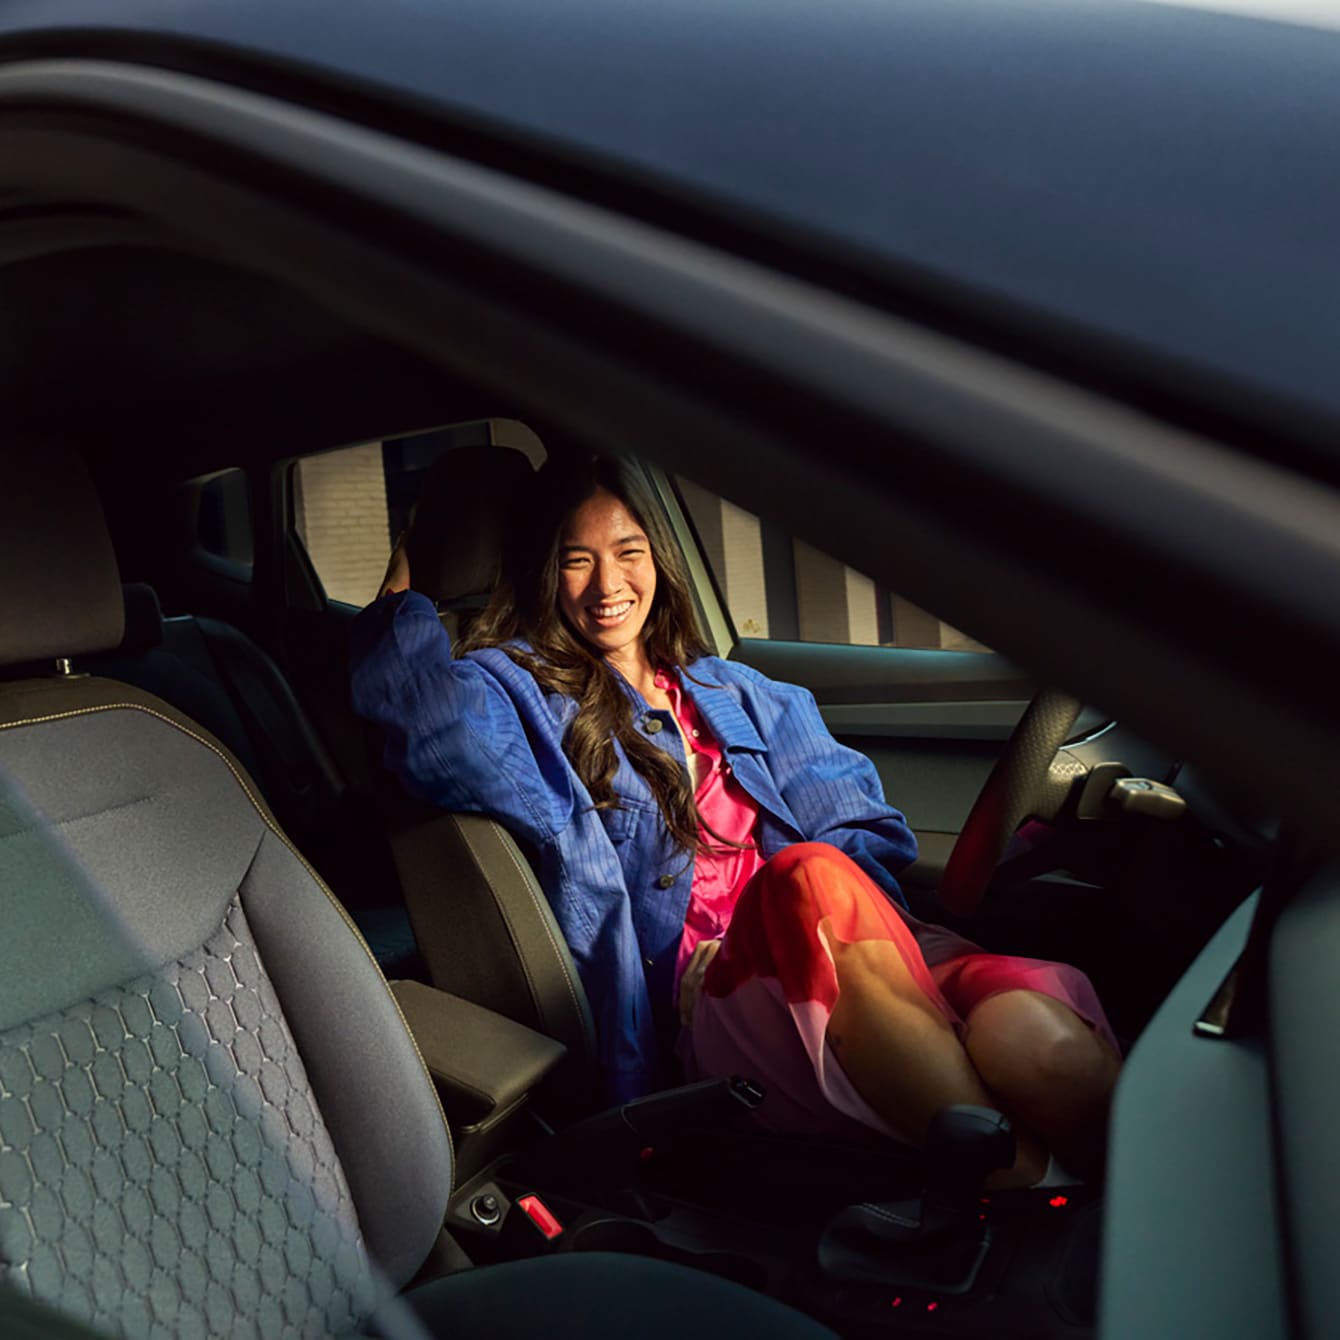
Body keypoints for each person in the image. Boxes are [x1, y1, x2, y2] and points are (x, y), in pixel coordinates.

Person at [351, 455, 1120, 1183]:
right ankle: (1013, 1191)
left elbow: (862, 834)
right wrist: (406, 588)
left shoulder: (746, 693)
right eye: (575, 560)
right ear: (542, 572)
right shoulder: (518, 692)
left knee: (1037, 1042)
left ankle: (1136, 1215)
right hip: (717, 994)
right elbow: (426, 728)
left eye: (629, 551)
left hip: (851, 950)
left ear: (660, 559)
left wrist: (874, 939)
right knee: (808, 873)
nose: (606, 584)